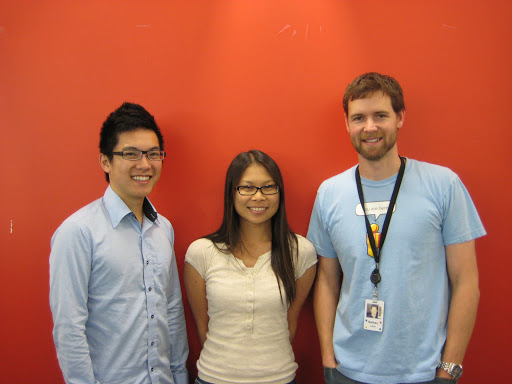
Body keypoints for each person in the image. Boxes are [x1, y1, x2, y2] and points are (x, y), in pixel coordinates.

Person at [308, 73, 485, 384]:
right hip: (347, 371)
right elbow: (326, 278)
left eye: (381, 115)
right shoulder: (330, 193)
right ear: (347, 124)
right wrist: (328, 357)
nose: (370, 127)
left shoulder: (443, 185)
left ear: (400, 117)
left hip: (424, 372)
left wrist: (450, 367)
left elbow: (466, 280)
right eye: (359, 117)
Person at [49, 102, 188, 384]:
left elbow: (172, 310)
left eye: (153, 154)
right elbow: (69, 329)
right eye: (130, 154)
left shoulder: (163, 229)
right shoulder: (77, 232)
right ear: (105, 161)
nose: (144, 164)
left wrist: (179, 374)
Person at [184, 150, 317, 384]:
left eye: (268, 187)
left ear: (279, 193)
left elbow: (289, 322)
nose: (258, 197)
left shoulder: (300, 252)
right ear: (232, 193)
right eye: (247, 187)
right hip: (214, 378)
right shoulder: (201, 252)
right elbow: (202, 326)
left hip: (280, 378)